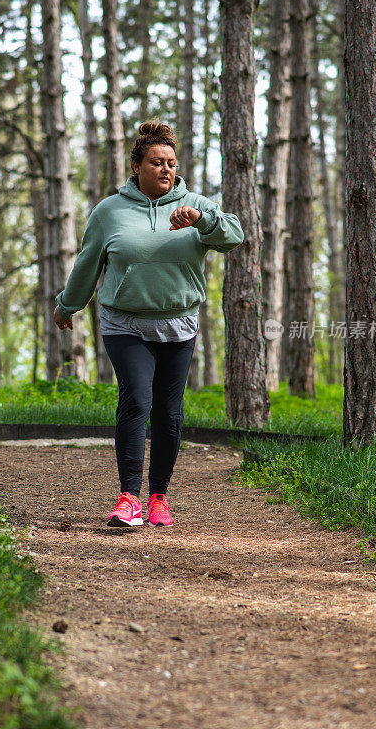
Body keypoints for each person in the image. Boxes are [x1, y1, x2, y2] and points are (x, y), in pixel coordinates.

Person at [54, 120, 244, 528]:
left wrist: (201, 220)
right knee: (137, 400)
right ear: (136, 165)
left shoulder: (195, 203)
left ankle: (159, 497)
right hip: (125, 323)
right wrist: (67, 306)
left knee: (169, 413)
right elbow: (89, 264)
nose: (165, 170)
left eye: (171, 163)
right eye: (156, 162)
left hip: (178, 324)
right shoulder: (110, 211)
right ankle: (128, 497)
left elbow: (235, 236)